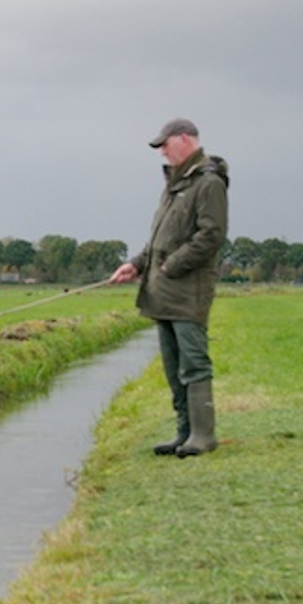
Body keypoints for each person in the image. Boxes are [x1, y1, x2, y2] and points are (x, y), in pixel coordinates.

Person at [109, 117, 229, 457]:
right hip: (162, 291)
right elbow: (160, 238)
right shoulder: (175, 184)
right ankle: (184, 433)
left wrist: (172, 265)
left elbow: (211, 236)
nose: (162, 151)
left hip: (188, 289)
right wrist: (136, 264)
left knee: (193, 363)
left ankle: (203, 436)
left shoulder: (209, 182)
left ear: (187, 140)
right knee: (173, 365)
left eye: (166, 143)